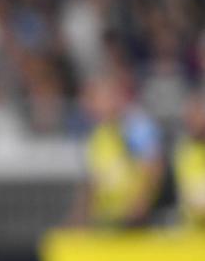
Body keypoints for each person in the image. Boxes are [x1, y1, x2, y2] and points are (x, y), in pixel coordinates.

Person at [67, 73, 165, 228]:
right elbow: (95, 180)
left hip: (137, 220)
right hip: (110, 218)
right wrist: (81, 217)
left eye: (94, 99)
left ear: (114, 97)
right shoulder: (99, 134)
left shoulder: (135, 126)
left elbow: (153, 167)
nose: (88, 107)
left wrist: (140, 204)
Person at [174, 91, 205, 229]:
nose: (191, 121)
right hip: (191, 228)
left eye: (196, 115)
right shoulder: (183, 150)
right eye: (189, 116)